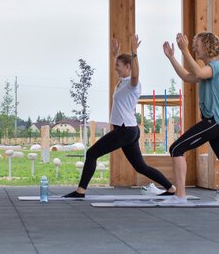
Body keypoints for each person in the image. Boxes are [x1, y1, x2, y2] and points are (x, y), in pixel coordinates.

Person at [64, 35, 176, 198]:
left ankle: (80, 191)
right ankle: (171, 188)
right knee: (140, 167)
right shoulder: (123, 82)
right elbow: (123, 69)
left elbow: (135, 75)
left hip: (125, 130)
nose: (115, 68)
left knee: (91, 154)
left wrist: (134, 52)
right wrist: (116, 54)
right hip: (129, 129)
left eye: (118, 65)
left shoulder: (133, 84)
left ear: (128, 67)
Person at [161, 32, 219, 205]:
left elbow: (199, 73)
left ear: (207, 46)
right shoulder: (208, 69)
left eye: (196, 45)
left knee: (176, 148)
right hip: (213, 123)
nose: (194, 48)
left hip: (213, 122)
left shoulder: (215, 67)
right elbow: (187, 77)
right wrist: (172, 57)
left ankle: (180, 195)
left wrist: (184, 50)